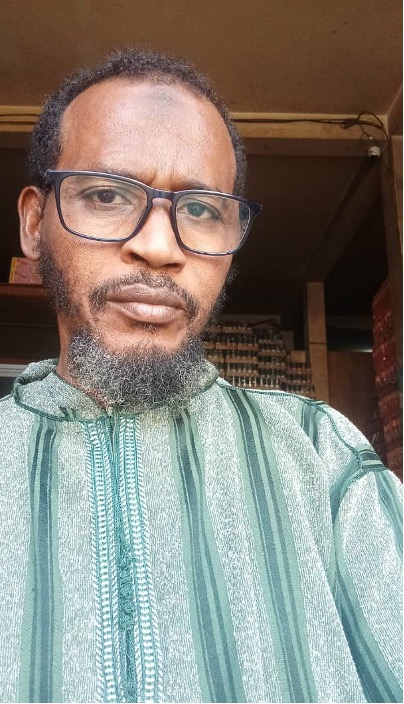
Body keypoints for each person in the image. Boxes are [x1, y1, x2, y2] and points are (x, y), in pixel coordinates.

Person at [0, 48, 401, 704]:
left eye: (201, 209)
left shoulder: (322, 457)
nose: (159, 247)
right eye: (106, 195)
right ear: (35, 223)